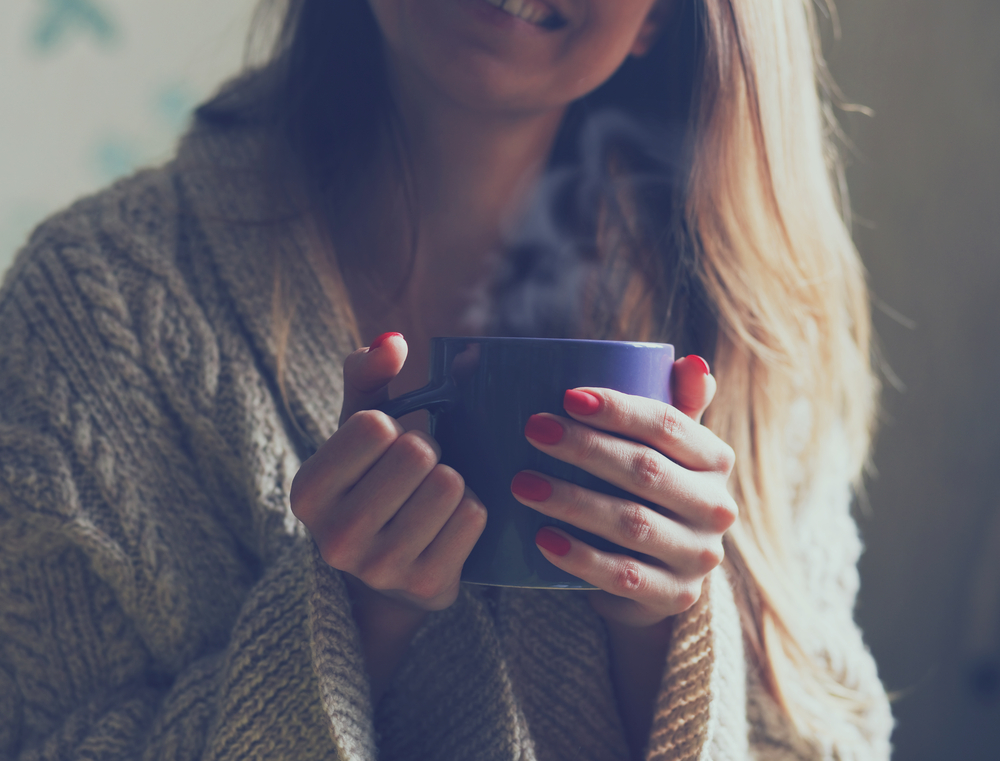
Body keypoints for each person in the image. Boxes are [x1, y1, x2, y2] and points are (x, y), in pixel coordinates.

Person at [0, 0, 893, 759]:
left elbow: (829, 736)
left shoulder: (750, 329)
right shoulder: (87, 311)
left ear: (661, 15)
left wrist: (659, 638)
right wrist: (347, 622)